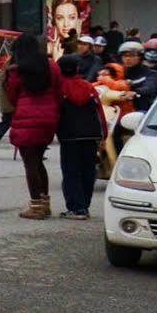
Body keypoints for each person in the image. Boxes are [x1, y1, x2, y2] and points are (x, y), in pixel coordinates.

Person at [4, 33, 60, 219]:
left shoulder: (16, 70)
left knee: (30, 164)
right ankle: (45, 203)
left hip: (26, 117)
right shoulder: (51, 66)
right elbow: (59, 89)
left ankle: (36, 206)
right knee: (38, 161)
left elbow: (12, 96)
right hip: (49, 117)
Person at [55, 54, 106, 220]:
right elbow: (100, 113)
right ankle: (84, 206)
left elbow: (54, 113)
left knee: (71, 172)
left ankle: (76, 208)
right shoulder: (88, 87)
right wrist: (103, 135)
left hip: (69, 135)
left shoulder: (58, 87)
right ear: (77, 69)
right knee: (87, 171)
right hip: (90, 134)